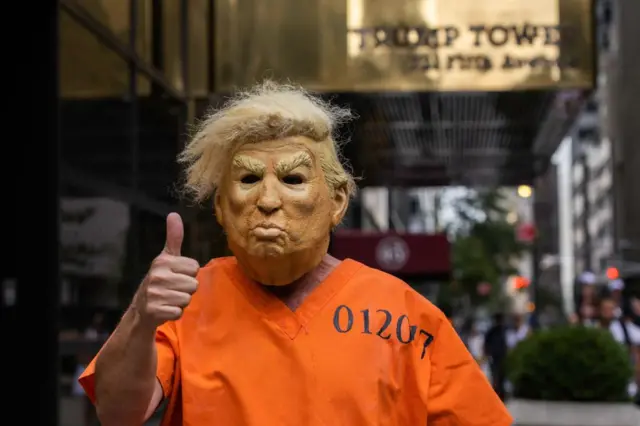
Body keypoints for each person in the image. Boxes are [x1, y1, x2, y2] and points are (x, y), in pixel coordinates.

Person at [78, 81, 512, 426]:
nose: (267, 199)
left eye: (293, 180)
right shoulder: (184, 306)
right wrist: (142, 316)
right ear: (221, 208)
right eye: (248, 180)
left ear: (338, 201)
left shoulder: (407, 316)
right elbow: (118, 413)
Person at [484, 313, 508, 401]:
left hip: (502, 357)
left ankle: (501, 394)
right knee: (496, 377)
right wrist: (488, 353)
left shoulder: (503, 330)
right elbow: (486, 343)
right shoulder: (493, 331)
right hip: (494, 357)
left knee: (501, 377)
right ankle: (497, 394)